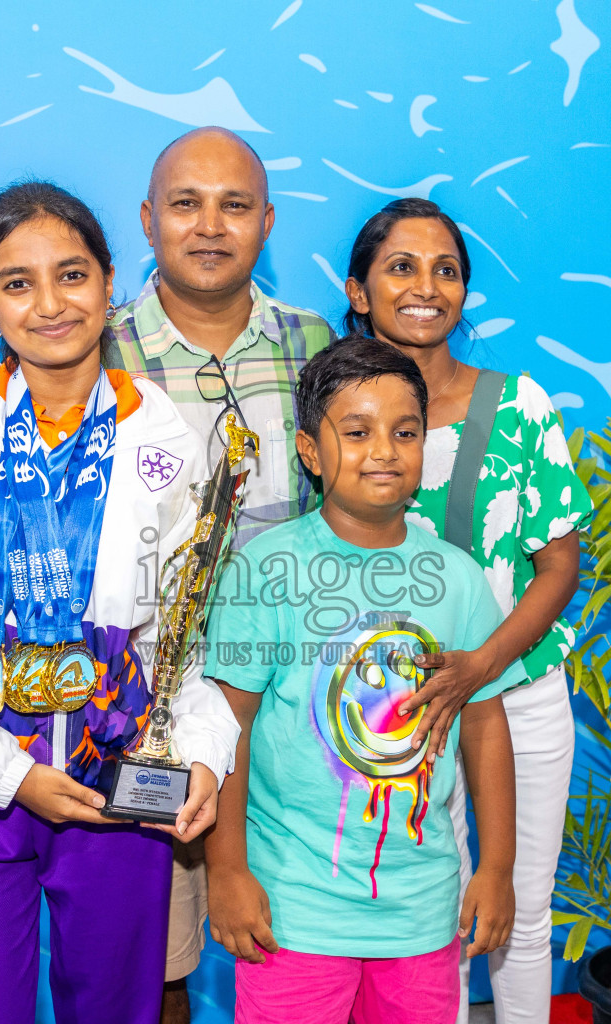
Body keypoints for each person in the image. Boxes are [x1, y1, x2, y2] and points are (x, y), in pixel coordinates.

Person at [0, 127, 333, 1024]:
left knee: (122, 1009)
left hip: (119, 784)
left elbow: (183, 639)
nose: (49, 304)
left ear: (109, 282)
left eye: (72, 275)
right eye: (17, 283)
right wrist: (8, 774)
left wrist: (197, 756)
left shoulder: (166, 436)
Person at [201, 338, 523, 1024]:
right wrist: (226, 870)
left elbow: (487, 727)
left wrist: (496, 869)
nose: (383, 449)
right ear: (311, 452)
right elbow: (228, 724)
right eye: (356, 431)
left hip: (420, 914)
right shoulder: (264, 569)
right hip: (292, 912)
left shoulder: (458, 579)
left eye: (404, 432)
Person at [340, 198, 593, 1024]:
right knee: (429, 915)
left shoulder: (519, 405)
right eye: (401, 267)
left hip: (516, 697)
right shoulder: (341, 424)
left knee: (517, 902)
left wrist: (484, 664)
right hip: (396, 714)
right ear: (359, 290)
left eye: (446, 269)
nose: (426, 286)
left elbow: (559, 567)